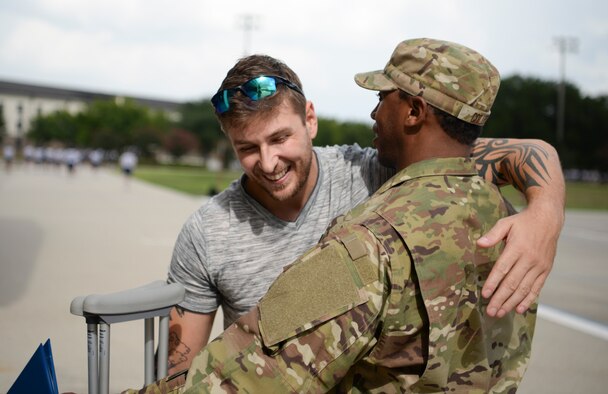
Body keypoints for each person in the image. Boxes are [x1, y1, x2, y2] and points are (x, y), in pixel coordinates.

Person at [133, 37, 540, 394]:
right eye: (248, 148)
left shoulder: (371, 185)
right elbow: (182, 368)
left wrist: (546, 213)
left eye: (280, 138)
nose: (269, 162)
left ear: (310, 119)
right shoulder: (208, 232)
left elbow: (502, 151)